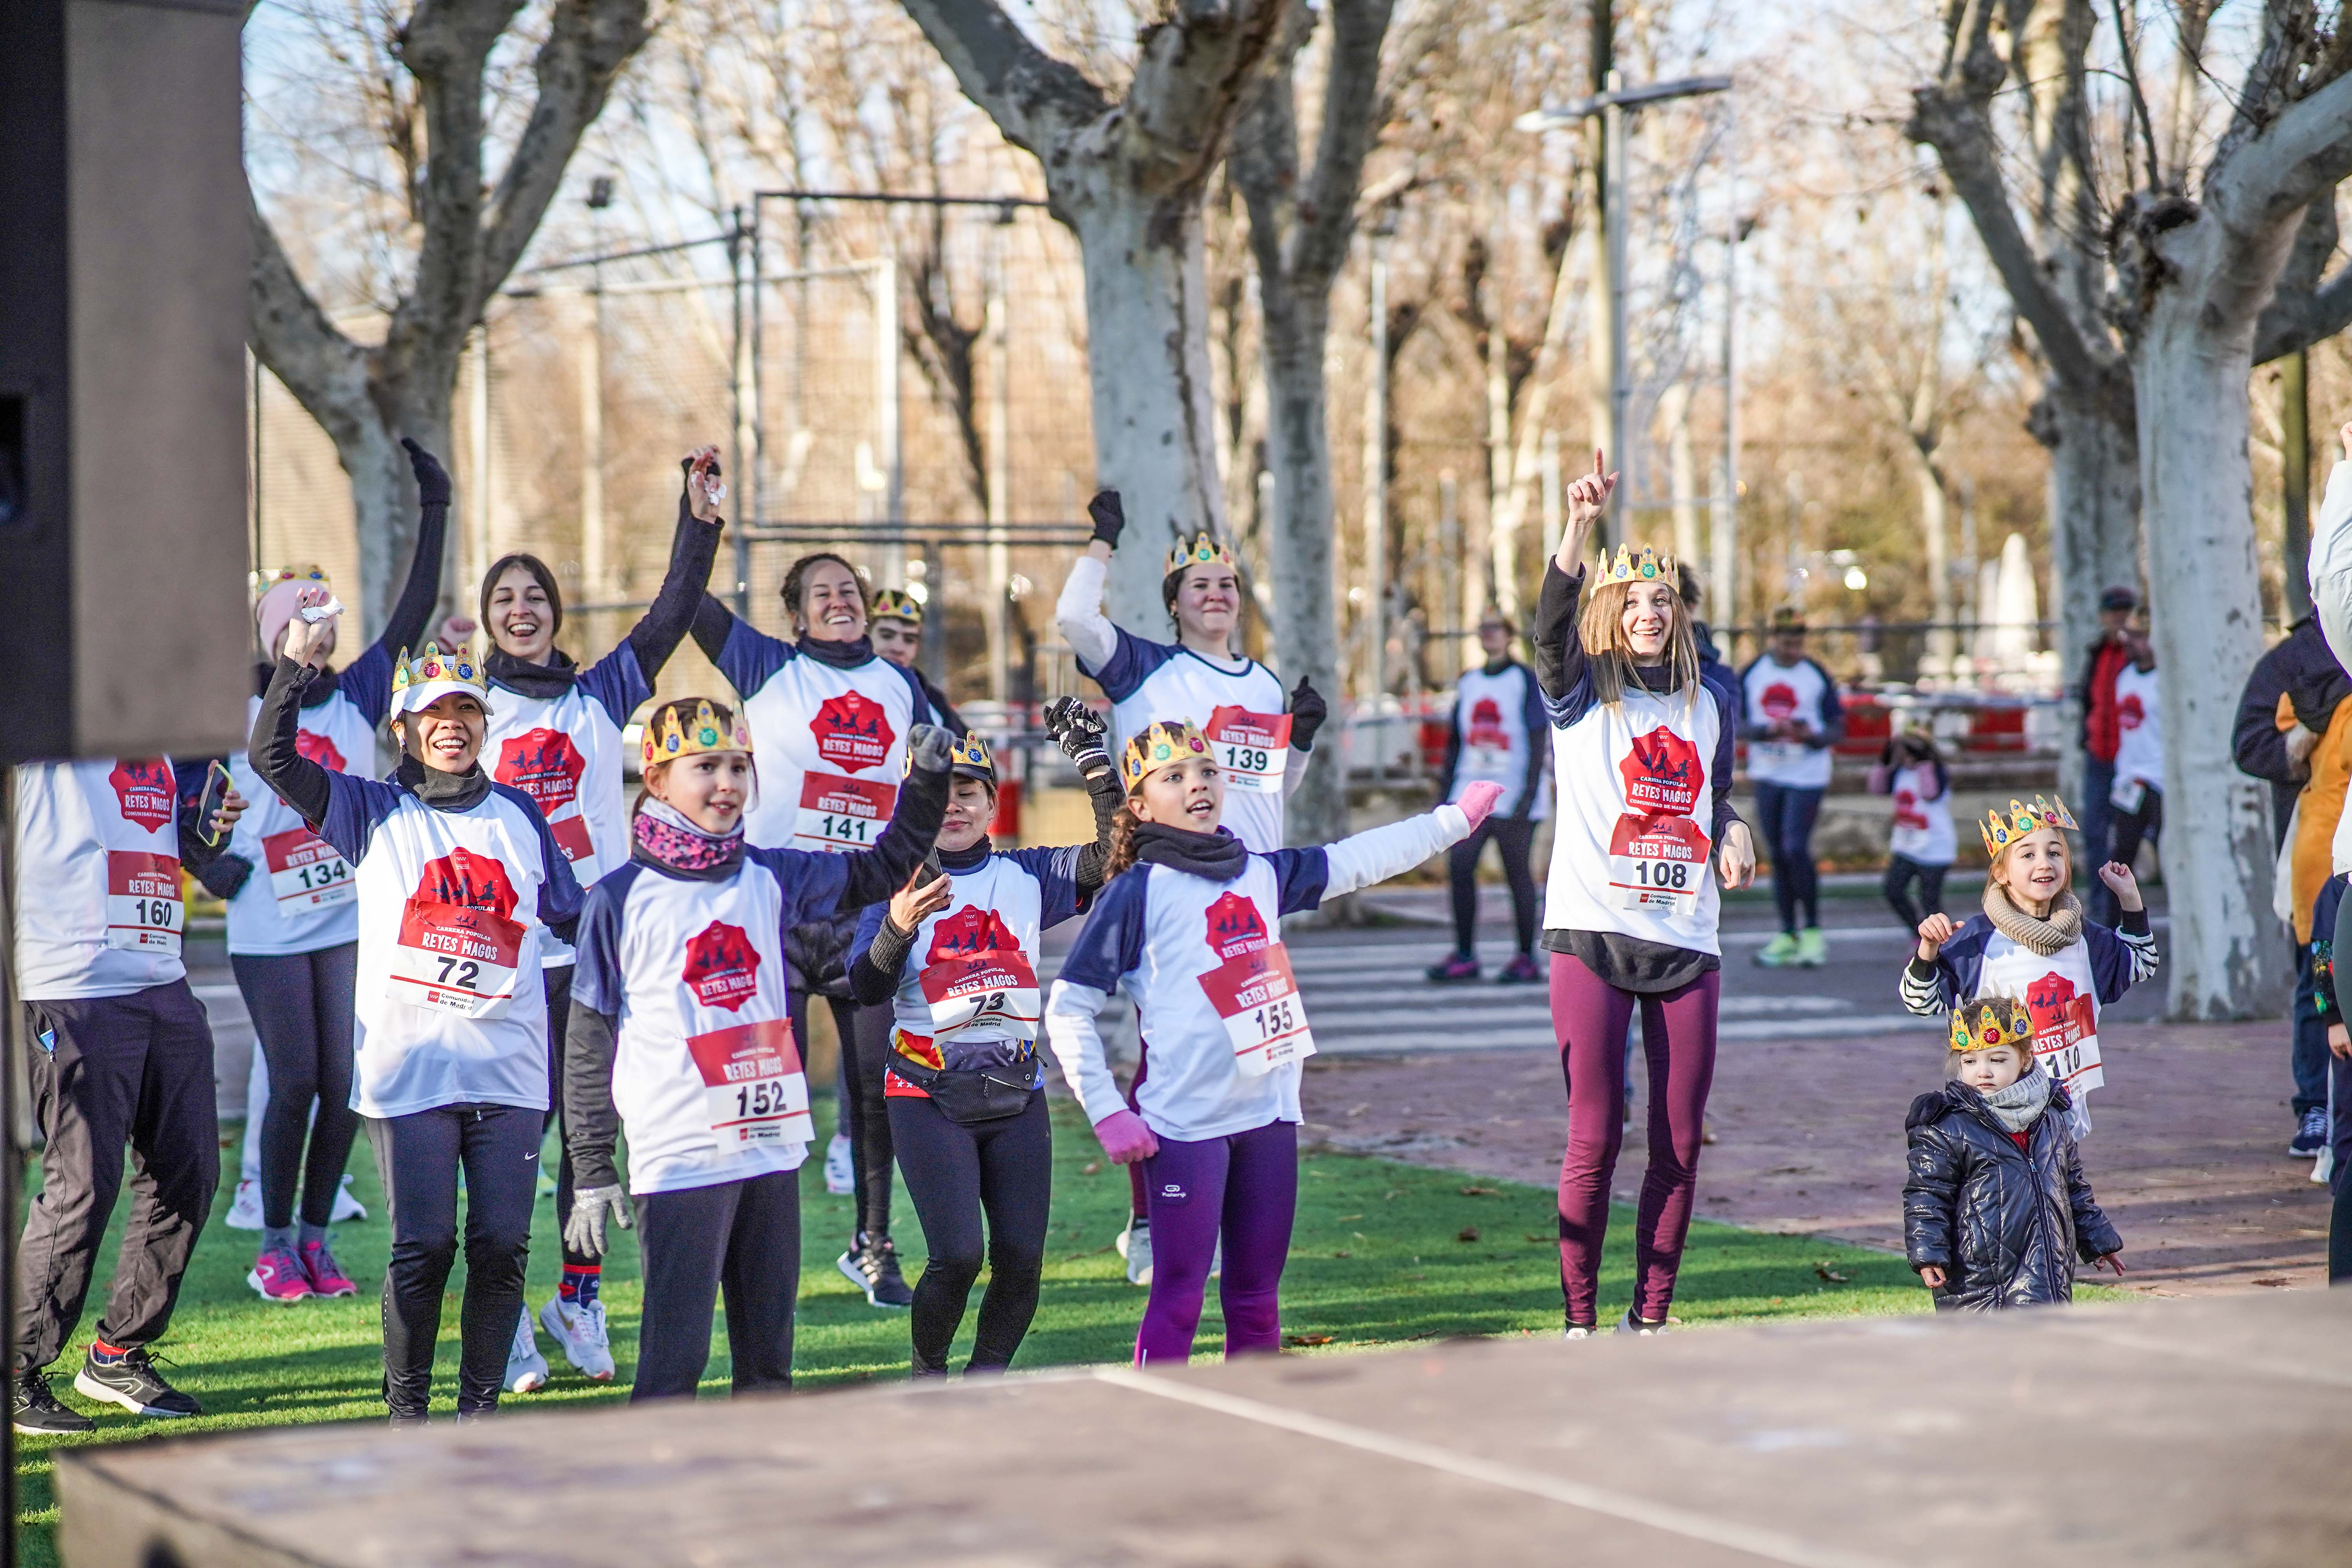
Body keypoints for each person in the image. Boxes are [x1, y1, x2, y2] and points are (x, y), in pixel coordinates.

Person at [1045, 720, 1499, 1364]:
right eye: (1174, 778)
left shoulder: (1260, 874)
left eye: (1206, 772)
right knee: (1178, 1294)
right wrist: (1106, 1107)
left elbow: (1358, 859)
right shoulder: (1136, 892)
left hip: (1268, 1120)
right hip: (1185, 1130)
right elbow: (1069, 1005)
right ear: (1141, 807)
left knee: (1257, 1296)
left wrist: (1453, 822)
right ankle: (1151, 1438)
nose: (1197, 784)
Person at [559, 701, 953, 1401]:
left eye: (738, 766)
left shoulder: (771, 876)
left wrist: (924, 784)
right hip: (680, 1157)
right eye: (704, 767)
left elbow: (882, 868)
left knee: (769, 1370)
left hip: (769, 1147)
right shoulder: (619, 898)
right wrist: (592, 1166)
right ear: (655, 780)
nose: (727, 783)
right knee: (674, 1369)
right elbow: (589, 1040)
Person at [254, 598, 583, 1425]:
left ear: (484, 726)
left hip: (509, 1073)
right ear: (404, 727)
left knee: (504, 1245)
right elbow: (270, 757)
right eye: (434, 712)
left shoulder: (520, 815)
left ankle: (477, 1417)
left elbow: (577, 920)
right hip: (411, 1075)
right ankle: (409, 1416)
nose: (452, 726)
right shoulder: (371, 808)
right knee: (425, 1245)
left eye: (466, 711)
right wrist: (295, 667)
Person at [475, 448, 724, 1388]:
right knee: (516, 1142)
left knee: (600, 1136)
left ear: (553, 610)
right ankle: (504, 1321)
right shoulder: (470, 706)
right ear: (492, 617)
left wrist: (697, 519)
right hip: (507, 961)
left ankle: (578, 1296)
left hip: (599, 954)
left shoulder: (598, 694)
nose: (522, 608)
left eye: (534, 594)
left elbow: (670, 612)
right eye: (506, 598)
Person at [195, 441, 449, 1306]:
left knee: (345, 1082)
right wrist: (214, 862)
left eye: (332, 616)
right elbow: (183, 802)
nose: (327, 629)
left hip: (347, 919)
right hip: (269, 926)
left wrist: (436, 506)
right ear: (275, 633)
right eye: (308, 618)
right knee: (294, 1077)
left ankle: (312, 1238)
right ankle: (271, 1239)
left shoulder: (359, 693)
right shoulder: (237, 706)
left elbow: (413, 608)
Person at [1054, 489, 1328, 1284]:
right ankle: (1154, 1213)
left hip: (1250, 886)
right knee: (1165, 1051)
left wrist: (1299, 738)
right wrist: (1103, 540)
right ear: (1174, 603)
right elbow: (1075, 622)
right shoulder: (1145, 665)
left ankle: (1225, 1203)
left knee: (1252, 1053)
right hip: (1170, 881)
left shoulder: (1267, 682)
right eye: (1199, 584)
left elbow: (1274, 792)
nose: (1217, 594)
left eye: (1228, 583)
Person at [1531, 450, 1757, 1338]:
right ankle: (1580, 1320)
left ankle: (1649, 1319)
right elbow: (1547, 633)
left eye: (1660, 599)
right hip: (1592, 934)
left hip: (1685, 939)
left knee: (1679, 1141)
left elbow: (1720, 794)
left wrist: (1734, 829)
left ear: (1680, 611)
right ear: (1610, 613)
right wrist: (1578, 526)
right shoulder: (1582, 693)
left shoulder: (1711, 701)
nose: (1648, 612)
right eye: (1631, 600)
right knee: (1596, 1134)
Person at [693, 552, 947, 1308]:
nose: (840, 601)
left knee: (874, 1089)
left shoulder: (900, 685)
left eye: (850, 591)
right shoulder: (766, 664)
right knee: (771, 1089)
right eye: (821, 594)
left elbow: (937, 782)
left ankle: (874, 1245)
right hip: (777, 906)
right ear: (797, 615)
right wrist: (698, 524)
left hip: (867, 911)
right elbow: (687, 605)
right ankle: (753, 1251)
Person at [845, 702, 1121, 1375]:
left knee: (1023, 1260)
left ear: (992, 804)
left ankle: (985, 1379)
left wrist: (1092, 763)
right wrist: (899, 927)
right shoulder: (892, 884)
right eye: (939, 794)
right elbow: (865, 987)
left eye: (968, 793)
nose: (954, 807)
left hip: (1015, 1095)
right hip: (924, 1095)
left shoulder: (1026, 876)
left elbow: (1117, 852)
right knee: (959, 1255)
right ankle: (929, 1371)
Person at [9, 759, 245, 1433]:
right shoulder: (52, 728)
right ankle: (20, 1370)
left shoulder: (168, 745)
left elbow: (173, 832)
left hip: (159, 977)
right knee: (83, 1184)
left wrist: (207, 824)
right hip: (70, 982)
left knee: (190, 1171)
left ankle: (118, 1352)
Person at [1900, 797, 2156, 1140]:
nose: (2044, 863)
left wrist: (2130, 899)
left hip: (2063, 1114)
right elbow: (1921, 1003)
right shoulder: (1978, 941)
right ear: (2001, 873)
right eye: (2028, 855)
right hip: (1993, 1118)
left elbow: (2141, 963)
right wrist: (1928, 949)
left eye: (2054, 853)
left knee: (2060, 1193)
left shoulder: (2085, 937)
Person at [1903, 996, 2125, 1310]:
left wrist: (2098, 1240)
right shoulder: (1946, 1124)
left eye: (1997, 1060)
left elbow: (2072, 1188)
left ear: (2025, 1059)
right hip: (1977, 1276)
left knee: (2042, 1347)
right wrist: (1928, 1253)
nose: (1983, 1072)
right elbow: (1927, 1195)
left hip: (2045, 1266)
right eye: (1970, 1061)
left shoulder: (2050, 1117)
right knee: (1984, 1354)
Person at [2233, 604, 2346, 1159]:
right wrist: (2301, 742)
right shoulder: (2294, 658)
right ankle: (2316, 1105)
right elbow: (2249, 744)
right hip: (2319, 852)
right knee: (2317, 977)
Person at [1426, 609, 1548, 985]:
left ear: (1510, 635)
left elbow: (1536, 737)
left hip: (1513, 797)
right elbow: (1455, 742)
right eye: (1483, 628)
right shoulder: (1469, 682)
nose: (1488, 634)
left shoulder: (1524, 681)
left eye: (1495, 628)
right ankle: (1465, 954)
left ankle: (1526, 957)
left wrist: (1527, 796)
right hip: (1470, 794)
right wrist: (1445, 795)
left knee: (1517, 876)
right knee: (1460, 868)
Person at [1739, 606, 1843, 967]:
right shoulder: (1753, 672)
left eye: (1798, 643)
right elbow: (1734, 720)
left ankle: (1813, 932)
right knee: (1778, 854)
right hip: (1767, 773)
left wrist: (1810, 736)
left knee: (1795, 846)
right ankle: (1787, 932)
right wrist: (1765, 731)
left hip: (1807, 775)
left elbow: (1837, 726)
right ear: (1773, 640)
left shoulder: (1815, 674)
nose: (1792, 650)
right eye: (1786, 643)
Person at [2073, 586, 2138, 894]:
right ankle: (2101, 900)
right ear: (2104, 617)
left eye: (2125, 613)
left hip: (2131, 758)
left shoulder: (2138, 654)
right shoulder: (2097, 653)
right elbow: (2090, 699)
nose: (2120, 620)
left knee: (2135, 829)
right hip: (2099, 754)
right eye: (2114, 614)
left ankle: (2130, 893)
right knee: (2095, 831)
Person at [2100, 611, 2162, 925]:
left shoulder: (2165, 681)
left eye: (2139, 637)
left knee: (2168, 858)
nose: (2132, 644)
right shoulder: (2125, 678)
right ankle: (2111, 926)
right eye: (2130, 637)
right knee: (2120, 859)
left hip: (2161, 781)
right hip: (2129, 780)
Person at [1868, 724, 1954, 933]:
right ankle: (1919, 935)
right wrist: (1885, 760)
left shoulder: (1935, 773)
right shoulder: (1899, 773)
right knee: (1893, 891)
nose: (1905, 757)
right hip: (1907, 844)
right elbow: (1876, 789)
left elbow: (1930, 793)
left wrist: (1923, 761)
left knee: (1930, 902)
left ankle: (1942, 947)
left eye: (1909, 752)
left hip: (1935, 847)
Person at [868, 587, 965, 735]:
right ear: (865, 636)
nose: (898, 648)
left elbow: (971, 754)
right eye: (887, 636)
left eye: (909, 640)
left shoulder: (932, 700)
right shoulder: (841, 684)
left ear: (917, 647)